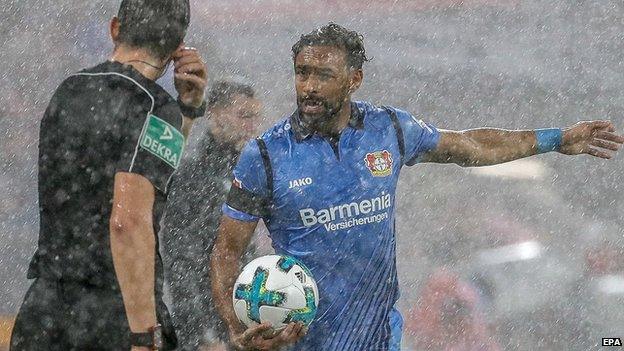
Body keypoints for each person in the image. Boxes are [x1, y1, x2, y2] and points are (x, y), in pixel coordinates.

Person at [210, 23, 623, 351]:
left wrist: (556, 139)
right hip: (300, 340)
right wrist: (235, 328)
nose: (310, 86)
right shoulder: (265, 155)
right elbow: (227, 250)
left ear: (354, 79)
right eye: (303, 73)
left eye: (324, 74)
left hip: (380, 338)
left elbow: (470, 145)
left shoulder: (388, 129)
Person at [10, 0, 207, 350]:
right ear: (178, 48)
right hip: (112, 311)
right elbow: (127, 221)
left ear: (115, 28)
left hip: (44, 308)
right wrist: (145, 334)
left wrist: (186, 113)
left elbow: (153, 172)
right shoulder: (152, 105)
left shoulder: (69, 89)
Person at [160, 80, 261, 351]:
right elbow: (181, 261)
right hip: (211, 327)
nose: (251, 128)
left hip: (244, 321)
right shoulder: (191, 176)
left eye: (255, 118)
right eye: (244, 116)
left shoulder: (247, 171)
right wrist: (199, 335)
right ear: (215, 114)